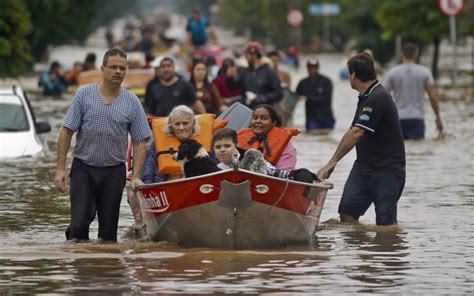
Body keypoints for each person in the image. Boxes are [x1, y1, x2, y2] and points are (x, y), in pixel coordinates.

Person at [54, 48, 151, 242]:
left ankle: (104, 271)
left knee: (108, 235)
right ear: (102, 68)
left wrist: (137, 177)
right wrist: (60, 169)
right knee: (80, 226)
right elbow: (66, 132)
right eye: (113, 67)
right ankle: (76, 247)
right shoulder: (84, 95)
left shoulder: (132, 102)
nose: (118, 72)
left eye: (122, 68)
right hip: (83, 169)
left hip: (114, 172)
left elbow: (141, 141)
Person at [317, 53, 406, 226]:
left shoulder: (377, 97)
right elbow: (352, 130)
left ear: (353, 75)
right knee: (347, 214)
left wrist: (332, 162)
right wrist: (332, 161)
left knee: (386, 226)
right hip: (363, 168)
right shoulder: (366, 97)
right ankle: (360, 248)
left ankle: (384, 253)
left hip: (387, 170)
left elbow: (358, 132)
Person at [384, 43, 444, 139]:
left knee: (399, 151)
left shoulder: (393, 72)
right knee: (417, 149)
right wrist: (438, 117)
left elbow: (383, 96)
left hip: (398, 119)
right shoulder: (425, 72)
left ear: (401, 54)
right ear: (416, 55)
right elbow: (433, 97)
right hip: (417, 119)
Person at [142, 105, 201, 183]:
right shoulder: (156, 145)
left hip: (199, 185)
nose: (181, 128)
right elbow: (149, 172)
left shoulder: (208, 140)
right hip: (167, 187)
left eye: (185, 123)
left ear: (193, 123)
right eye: (177, 124)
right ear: (171, 126)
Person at [238, 104, 297, 171]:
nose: (258, 121)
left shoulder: (284, 143)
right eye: (255, 118)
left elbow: (286, 170)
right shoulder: (241, 138)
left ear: (274, 123)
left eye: (264, 118)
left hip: (272, 176)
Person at [238, 41, 283, 108]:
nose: (245, 57)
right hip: (247, 110)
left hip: (264, 111)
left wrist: (260, 98)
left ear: (254, 55)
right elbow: (236, 86)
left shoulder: (269, 72)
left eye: (247, 54)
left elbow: (278, 93)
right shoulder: (244, 71)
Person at [296, 58, 335, 133]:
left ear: (318, 67)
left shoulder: (326, 81)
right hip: (311, 118)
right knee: (311, 134)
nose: (312, 69)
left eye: (314, 67)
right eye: (310, 67)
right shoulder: (303, 83)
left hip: (327, 117)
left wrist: (308, 98)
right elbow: (295, 96)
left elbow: (326, 99)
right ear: (307, 68)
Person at [268, 50, 298, 127]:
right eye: (271, 60)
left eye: (275, 60)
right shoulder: (265, 75)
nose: (274, 63)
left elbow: (288, 91)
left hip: (282, 106)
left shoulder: (284, 74)